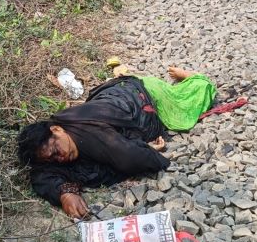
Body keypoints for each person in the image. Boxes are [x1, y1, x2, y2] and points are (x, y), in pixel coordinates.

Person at [17, 66, 216, 218]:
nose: (59, 158)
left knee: (191, 102)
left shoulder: (91, 135)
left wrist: (143, 148)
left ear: (56, 130)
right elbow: (40, 174)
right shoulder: (62, 125)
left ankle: (190, 77)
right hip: (115, 89)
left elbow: (137, 159)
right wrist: (65, 193)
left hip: (146, 93)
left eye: (55, 150)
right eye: (52, 159)